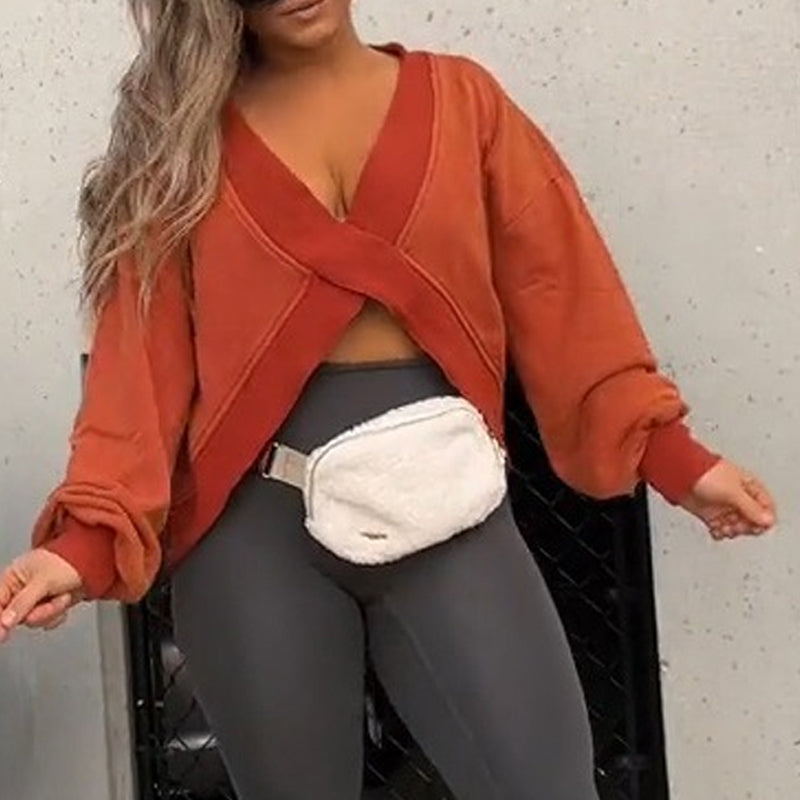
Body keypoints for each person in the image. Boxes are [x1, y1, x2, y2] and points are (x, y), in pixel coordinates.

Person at [0, 1, 777, 798]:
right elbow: (138, 367)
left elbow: (566, 293)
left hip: (446, 506)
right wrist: (83, 545)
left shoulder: (464, 101)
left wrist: (675, 459)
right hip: (252, 536)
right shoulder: (181, 148)